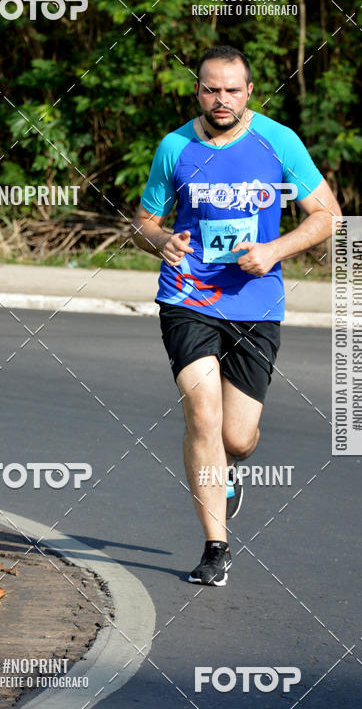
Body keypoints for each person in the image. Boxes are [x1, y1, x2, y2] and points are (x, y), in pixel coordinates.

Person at [132, 44, 342, 587]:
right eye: (211, 89)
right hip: (188, 297)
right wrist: (161, 240)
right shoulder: (175, 146)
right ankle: (215, 547)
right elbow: (144, 222)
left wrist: (275, 250)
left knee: (239, 438)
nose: (221, 99)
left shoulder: (278, 141)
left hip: (256, 301)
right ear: (197, 90)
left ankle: (226, 469)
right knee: (202, 414)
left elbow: (328, 216)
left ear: (249, 92)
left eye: (231, 90)